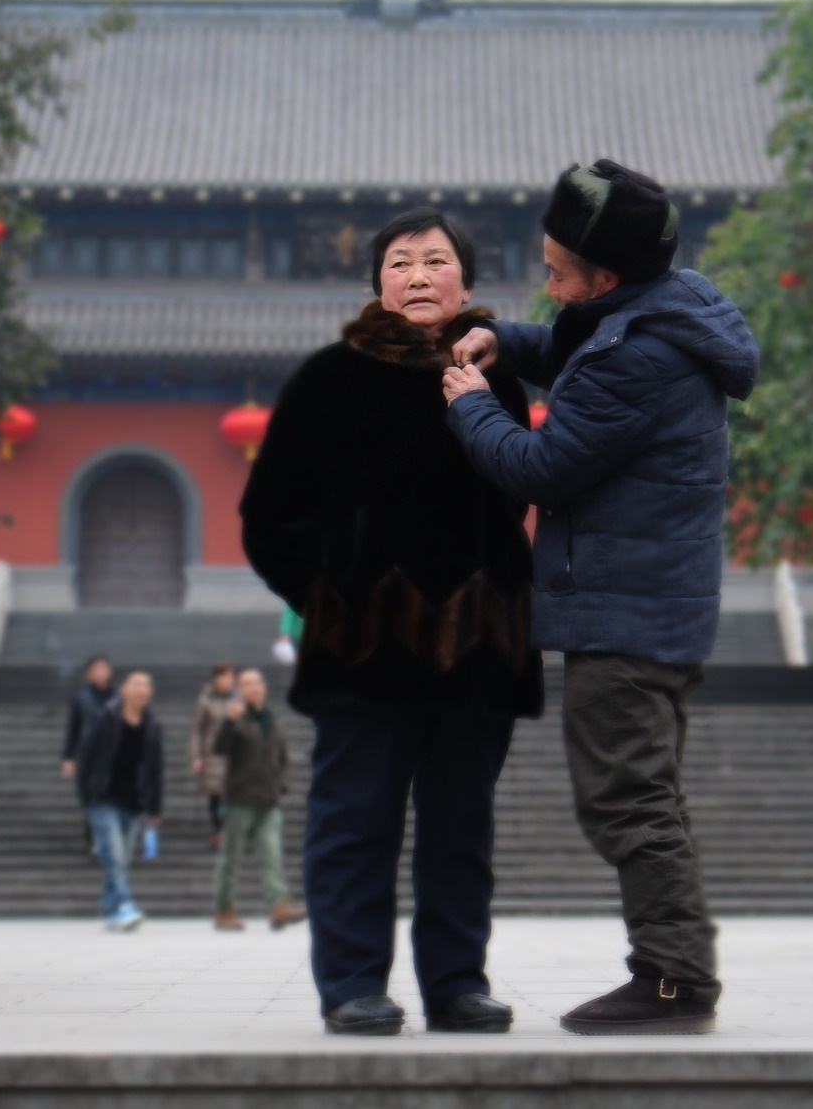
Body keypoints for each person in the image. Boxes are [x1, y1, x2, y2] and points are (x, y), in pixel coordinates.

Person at [442, 159, 759, 1035]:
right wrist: (506, 340)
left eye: (557, 273)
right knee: (640, 791)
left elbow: (539, 465)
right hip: (646, 604)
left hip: (628, 615)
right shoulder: (659, 308)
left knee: (627, 796)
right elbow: (576, 345)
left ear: (606, 277)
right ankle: (673, 966)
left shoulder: (642, 362)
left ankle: (673, 978)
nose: (547, 284)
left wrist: (472, 402)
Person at [240, 207, 543, 1036]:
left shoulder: (496, 379)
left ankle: (456, 983)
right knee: (355, 821)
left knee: (460, 828)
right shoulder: (331, 378)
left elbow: (519, 487)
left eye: (435, 260)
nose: (417, 275)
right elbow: (270, 515)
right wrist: (332, 601)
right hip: (365, 649)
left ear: (466, 284)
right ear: (377, 283)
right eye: (400, 261)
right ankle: (350, 985)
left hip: (479, 644)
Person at [211, 668, 306, 932]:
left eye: (257, 682)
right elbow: (219, 748)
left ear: (263, 687)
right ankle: (224, 909)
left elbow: (283, 756)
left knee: (272, 855)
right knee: (230, 857)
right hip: (238, 799)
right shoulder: (236, 719)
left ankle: (279, 907)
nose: (253, 687)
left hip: (268, 799)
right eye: (246, 683)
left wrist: (281, 784)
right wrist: (228, 722)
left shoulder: (272, 719)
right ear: (239, 690)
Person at [76, 671, 164, 931]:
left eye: (147, 685)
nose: (142, 689)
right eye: (136, 684)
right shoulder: (105, 719)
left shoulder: (152, 726)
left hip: (133, 802)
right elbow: (86, 757)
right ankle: (125, 905)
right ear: (123, 689)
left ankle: (109, 910)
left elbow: (156, 770)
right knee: (113, 856)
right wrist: (86, 795)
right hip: (102, 799)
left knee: (120, 860)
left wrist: (154, 808)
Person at [60, 654, 115, 852]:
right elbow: (73, 728)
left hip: (114, 757)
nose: (101, 672)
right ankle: (94, 838)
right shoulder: (81, 698)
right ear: (88, 673)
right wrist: (68, 756)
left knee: (113, 799)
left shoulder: (119, 696)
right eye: (96, 669)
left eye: (104, 668)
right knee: (91, 799)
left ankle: (111, 838)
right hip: (88, 758)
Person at [189, 662, 235, 849]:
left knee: (234, 793)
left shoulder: (238, 699)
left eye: (230, 676)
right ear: (215, 679)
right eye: (223, 676)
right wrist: (195, 755)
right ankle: (218, 830)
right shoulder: (205, 700)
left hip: (236, 753)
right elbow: (196, 729)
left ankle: (232, 830)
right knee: (215, 794)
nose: (227, 680)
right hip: (213, 754)